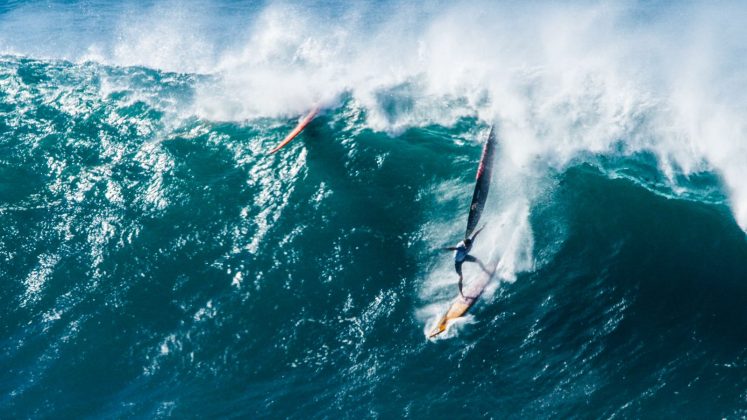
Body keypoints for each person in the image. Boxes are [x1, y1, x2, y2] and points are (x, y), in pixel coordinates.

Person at [444, 226, 487, 297]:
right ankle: (461, 294)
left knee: (478, 260)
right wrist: (445, 249)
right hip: (458, 261)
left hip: (464, 257)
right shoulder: (461, 247)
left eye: (468, 246)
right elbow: (453, 248)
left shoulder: (471, 241)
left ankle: (484, 270)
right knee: (461, 277)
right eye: (466, 246)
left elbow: (476, 233)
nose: (467, 247)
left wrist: (483, 227)